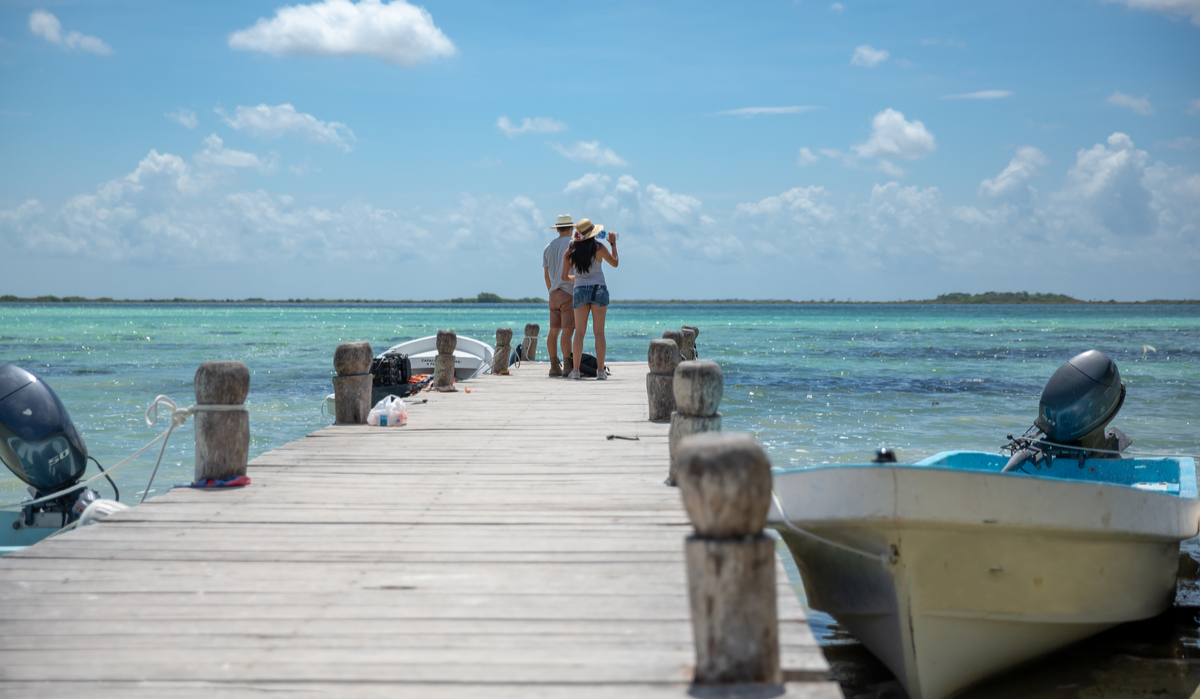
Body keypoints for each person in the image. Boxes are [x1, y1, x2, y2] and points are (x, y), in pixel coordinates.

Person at [561, 218, 618, 380]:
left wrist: (577, 280)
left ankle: (576, 371)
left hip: (579, 291)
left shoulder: (570, 251)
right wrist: (613, 244)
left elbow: (564, 277)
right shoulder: (600, 247)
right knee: (599, 332)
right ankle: (600, 371)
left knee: (579, 333)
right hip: (598, 289)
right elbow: (615, 263)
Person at [542, 215, 576, 377]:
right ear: (572, 228)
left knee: (553, 331)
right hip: (568, 291)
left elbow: (546, 275)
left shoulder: (548, 247)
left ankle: (554, 365)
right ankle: (568, 366)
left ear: (557, 229)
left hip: (553, 293)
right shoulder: (572, 245)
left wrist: (550, 291)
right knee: (568, 331)